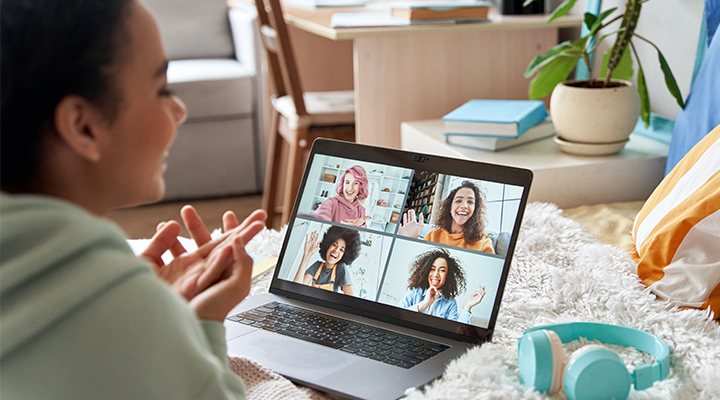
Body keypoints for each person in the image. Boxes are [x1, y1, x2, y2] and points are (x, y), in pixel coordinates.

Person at [0, 0, 265, 398]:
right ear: (83, 126)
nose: (179, 110)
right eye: (163, 90)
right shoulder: (125, 311)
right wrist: (197, 324)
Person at [398, 181, 495, 254]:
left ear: (475, 209)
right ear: (450, 207)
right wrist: (410, 241)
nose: (464, 205)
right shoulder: (433, 236)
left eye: (470, 202)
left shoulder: (483, 244)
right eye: (458, 201)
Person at [398, 249, 486, 324]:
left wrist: (467, 307)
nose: (436, 274)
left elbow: (455, 333)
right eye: (432, 269)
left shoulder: (450, 303)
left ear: (448, 275)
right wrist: (424, 304)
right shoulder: (416, 292)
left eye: (442, 270)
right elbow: (397, 314)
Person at [293, 226, 362, 295]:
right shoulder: (317, 266)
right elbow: (295, 288)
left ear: (344, 255)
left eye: (341, 250)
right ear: (328, 245)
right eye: (334, 245)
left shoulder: (340, 268)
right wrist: (307, 255)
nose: (336, 250)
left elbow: (350, 297)